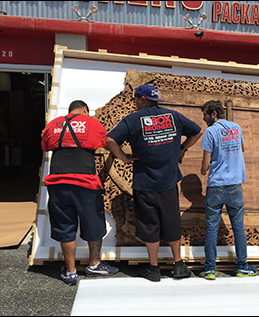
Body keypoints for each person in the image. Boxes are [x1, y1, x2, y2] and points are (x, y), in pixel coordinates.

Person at [106, 84, 203, 282]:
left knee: (150, 225)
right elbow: (196, 132)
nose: (134, 103)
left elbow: (110, 140)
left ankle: (154, 268)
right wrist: (182, 149)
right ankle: (178, 265)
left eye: (135, 100)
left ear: (142, 99)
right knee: (172, 221)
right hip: (168, 183)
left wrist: (123, 157)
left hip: (145, 183)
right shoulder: (173, 116)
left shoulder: (133, 120)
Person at [41, 100, 119, 285]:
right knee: (93, 224)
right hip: (86, 185)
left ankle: (70, 272)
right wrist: (123, 157)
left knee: (65, 227)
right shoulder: (92, 123)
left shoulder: (53, 125)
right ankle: (94, 264)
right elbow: (108, 141)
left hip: (58, 184)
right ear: (85, 109)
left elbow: (45, 146)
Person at [198, 100, 257, 280]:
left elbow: (206, 164)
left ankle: (209, 269)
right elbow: (242, 149)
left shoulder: (210, 132)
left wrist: (202, 171)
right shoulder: (236, 128)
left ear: (214, 114)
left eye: (205, 114)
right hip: (234, 185)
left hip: (216, 186)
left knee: (212, 229)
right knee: (238, 228)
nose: (203, 118)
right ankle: (242, 267)